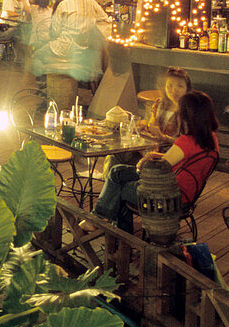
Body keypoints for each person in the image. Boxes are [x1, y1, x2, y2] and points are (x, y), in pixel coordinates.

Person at [87, 90, 219, 232]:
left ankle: (115, 235)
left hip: (166, 197)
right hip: (183, 194)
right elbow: (175, 159)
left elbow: (156, 169)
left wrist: (145, 160)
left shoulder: (186, 142)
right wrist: (153, 156)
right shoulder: (210, 139)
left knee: (119, 188)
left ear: (187, 116)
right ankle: (101, 222)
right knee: (117, 171)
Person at [138, 67, 192, 142]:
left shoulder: (190, 110)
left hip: (177, 151)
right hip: (156, 147)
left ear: (187, 89)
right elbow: (151, 125)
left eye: (180, 86)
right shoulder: (159, 103)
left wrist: (163, 137)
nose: (174, 90)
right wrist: (145, 127)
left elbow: (188, 143)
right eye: (170, 85)